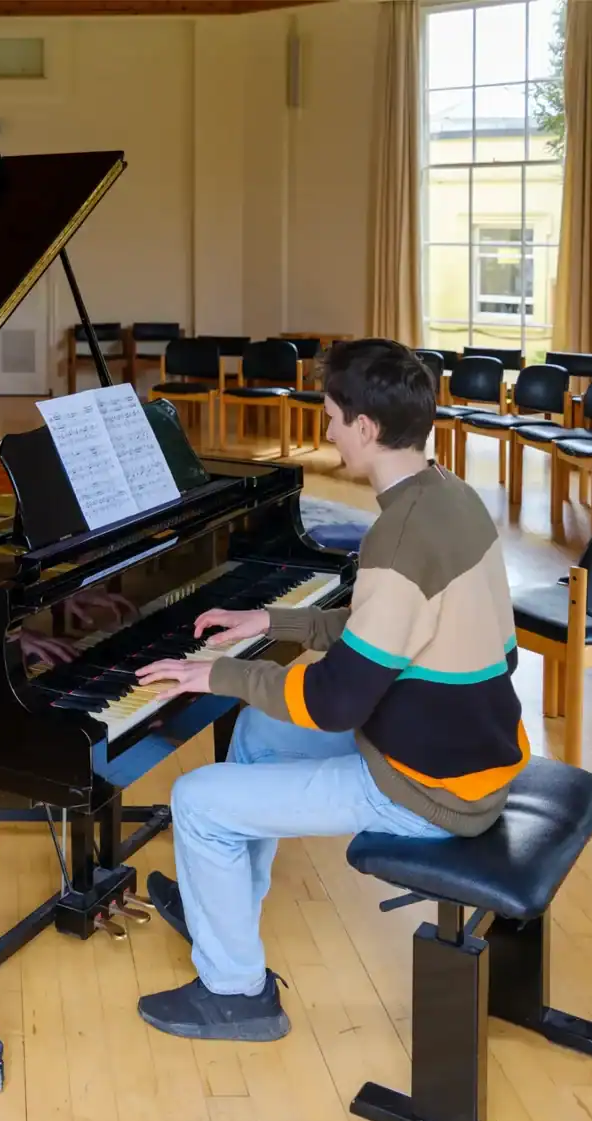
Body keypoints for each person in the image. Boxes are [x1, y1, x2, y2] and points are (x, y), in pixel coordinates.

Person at [132, 338, 526, 1042]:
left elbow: (337, 702)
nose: (327, 429)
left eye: (332, 416)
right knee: (257, 735)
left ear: (366, 429)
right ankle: (220, 907)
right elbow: (418, 629)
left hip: (429, 786)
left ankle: (236, 994)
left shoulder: (398, 537)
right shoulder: (450, 497)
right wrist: (275, 620)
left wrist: (217, 673)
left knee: (195, 800)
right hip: (475, 743)